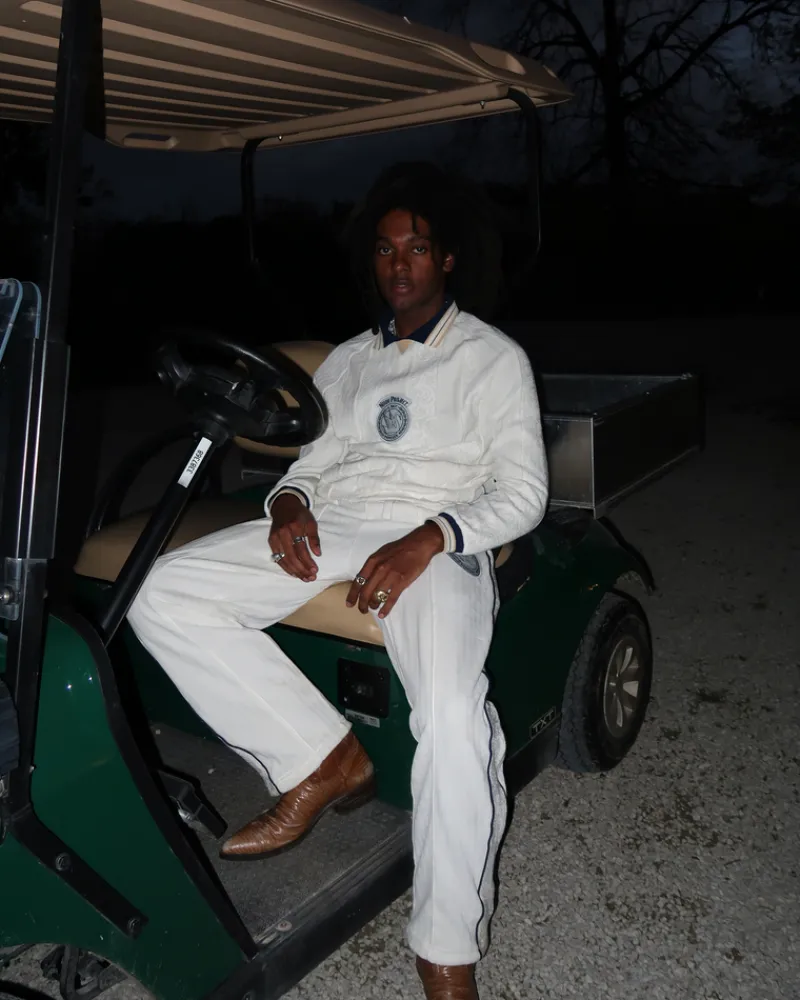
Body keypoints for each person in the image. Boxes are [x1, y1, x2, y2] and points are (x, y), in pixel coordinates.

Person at [127, 163, 548, 1000]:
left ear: (447, 259)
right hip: (342, 523)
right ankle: (321, 756)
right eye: (386, 250)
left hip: (438, 537)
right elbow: (310, 469)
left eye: (417, 248)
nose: (400, 264)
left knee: (454, 718)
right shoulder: (349, 360)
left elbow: (524, 492)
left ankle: (446, 950)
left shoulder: (492, 358)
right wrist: (287, 504)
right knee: (161, 591)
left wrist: (430, 537)